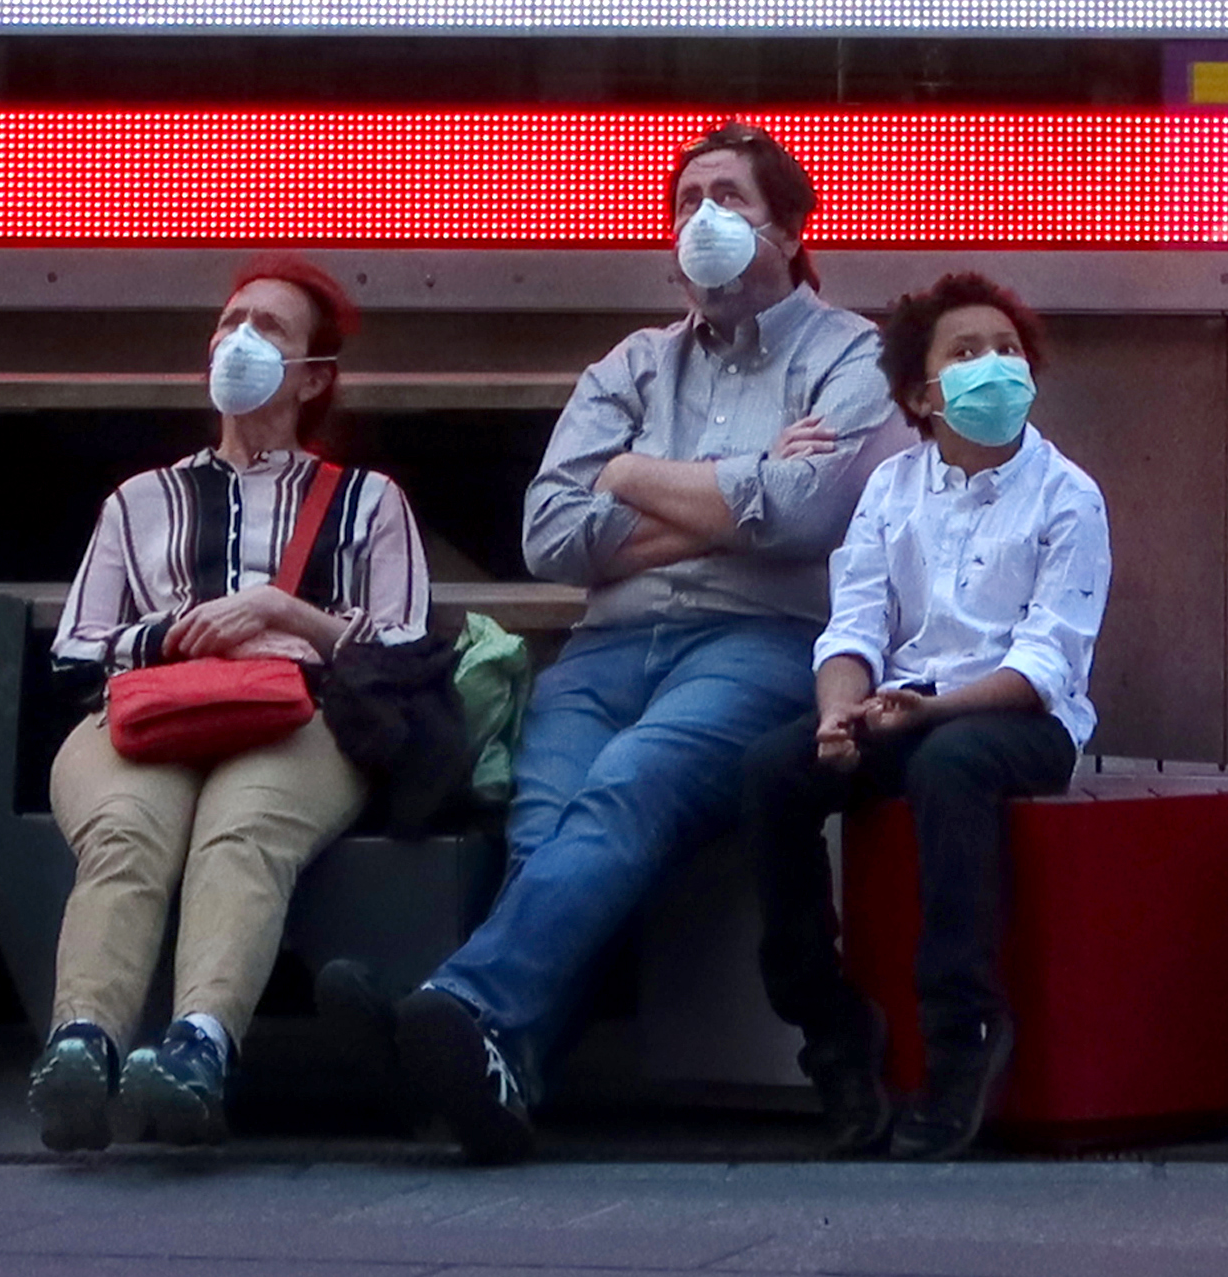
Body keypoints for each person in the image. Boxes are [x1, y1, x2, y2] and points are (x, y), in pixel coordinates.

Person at [380, 123, 903, 1163]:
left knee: (626, 787)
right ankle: (499, 1072)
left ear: (791, 228)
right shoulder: (629, 363)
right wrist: (742, 484)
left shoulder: (851, 353)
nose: (701, 218)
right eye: (686, 199)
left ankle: (458, 1004)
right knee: (548, 828)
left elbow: (809, 514)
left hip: (757, 645)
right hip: (605, 649)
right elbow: (549, 537)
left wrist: (628, 477)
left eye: (728, 196)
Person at [27, 255, 431, 1152]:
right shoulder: (141, 500)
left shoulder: (369, 502)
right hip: (147, 712)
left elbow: (403, 645)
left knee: (243, 832)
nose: (239, 339)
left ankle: (197, 1048)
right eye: (230, 320)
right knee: (126, 832)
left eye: (269, 328)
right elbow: (76, 648)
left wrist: (287, 614)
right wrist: (180, 631)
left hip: (301, 717)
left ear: (314, 376)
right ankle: (82, 1042)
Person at [740, 272, 1106, 1161]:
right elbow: (855, 620)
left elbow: (1045, 661)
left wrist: (931, 711)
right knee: (769, 771)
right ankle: (831, 1025)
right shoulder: (891, 490)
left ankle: (963, 1031)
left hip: (1014, 720)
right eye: (967, 353)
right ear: (919, 392)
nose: (996, 369)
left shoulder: (1068, 495)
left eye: (1008, 351)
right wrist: (839, 714)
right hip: (897, 707)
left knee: (953, 764)